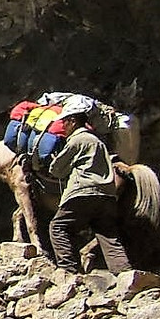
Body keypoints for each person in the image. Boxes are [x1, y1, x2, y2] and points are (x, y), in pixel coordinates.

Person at [46, 95, 130, 273]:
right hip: (106, 196)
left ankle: (69, 272)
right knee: (108, 235)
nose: (63, 126)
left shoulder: (77, 140)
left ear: (73, 121)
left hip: (82, 192)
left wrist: (54, 160)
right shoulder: (98, 141)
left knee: (58, 227)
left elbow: (56, 170)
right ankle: (125, 274)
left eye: (65, 122)